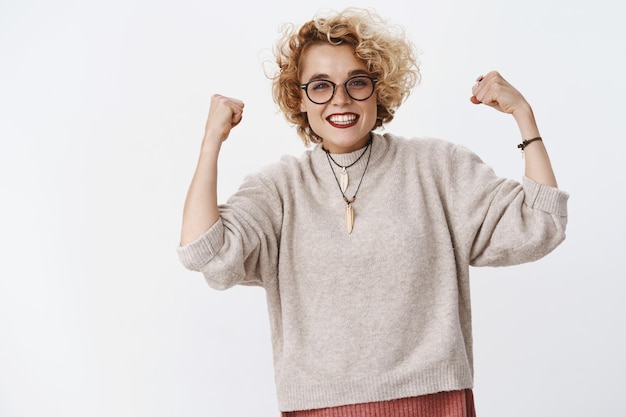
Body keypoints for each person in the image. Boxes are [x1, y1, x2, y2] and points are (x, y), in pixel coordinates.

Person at [177, 7, 568, 417]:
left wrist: (523, 116)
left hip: (434, 402)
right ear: (299, 97)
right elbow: (203, 252)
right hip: (321, 407)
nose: (340, 100)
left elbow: (540, 224)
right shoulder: (278, 188)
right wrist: (211, 143)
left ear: (380, 89)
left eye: (357, 82)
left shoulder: (436, 166)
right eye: (321, 86)